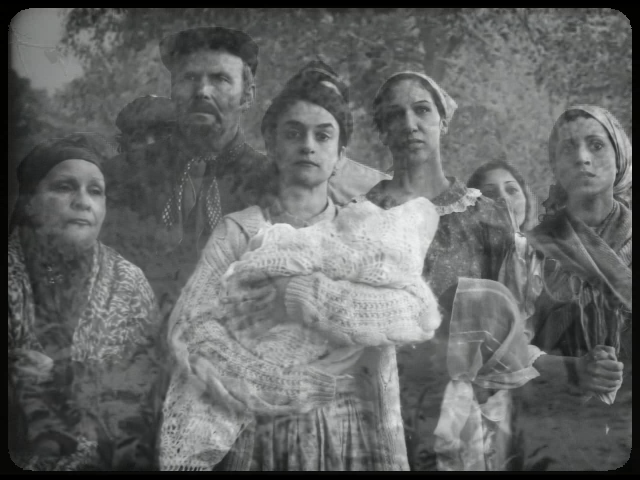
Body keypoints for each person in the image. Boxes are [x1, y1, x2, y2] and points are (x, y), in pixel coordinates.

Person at [159, 62, 436, 471]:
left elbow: (414, 312)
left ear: (340, 154)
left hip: (346, 430)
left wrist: (300, 295)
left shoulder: (367, 234)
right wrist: (282, 382)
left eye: (322, 135)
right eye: (293, 133)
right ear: (271, 144)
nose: (308, 145)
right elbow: (192, 328)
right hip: (256, 431)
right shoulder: (241, 231)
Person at [102, 27, 389, 317]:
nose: (202, 91)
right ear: (172, 90)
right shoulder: (120, 178)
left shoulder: (276, 185)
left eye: (220, 79)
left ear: (247, 95)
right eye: (189, 78)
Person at [365, 71, 516, 471]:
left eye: (422, 110)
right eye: (394, 115)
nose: (409, 124)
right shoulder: (361, 218)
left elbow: (511, 331)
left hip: (467, 416)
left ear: (443, 120)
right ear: (382, 130)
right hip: (385, 410)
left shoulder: (486, 216)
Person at [8, 133, 163, 471]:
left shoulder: (128, 284)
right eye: (65, 187)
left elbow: (149, 391)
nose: (83, 201)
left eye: (95, 191)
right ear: (30, 202)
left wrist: (59, 377)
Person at [518, 105, 631, 471]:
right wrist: (571, 368)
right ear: (555, 164)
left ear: (620, 155)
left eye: (596, 145)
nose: (582, 158)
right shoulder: (532, 248)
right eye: (568, 148)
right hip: (553, 432)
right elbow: (506, 345)